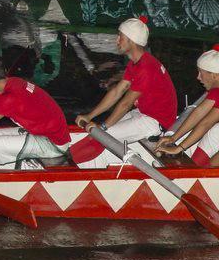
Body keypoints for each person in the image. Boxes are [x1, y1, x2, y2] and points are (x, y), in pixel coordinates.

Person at [71, 17, 177, 166]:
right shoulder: (137, 62)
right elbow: (117, 92)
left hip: (154, 122)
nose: (117, 40)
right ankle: (69, 160)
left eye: (121, 36)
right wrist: (90, 116)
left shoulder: (146, 67)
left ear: (131, 40)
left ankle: (63, 166)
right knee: (101, 132)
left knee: (102, 136)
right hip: (143, 113)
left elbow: (126, 103)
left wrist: (102, 128)